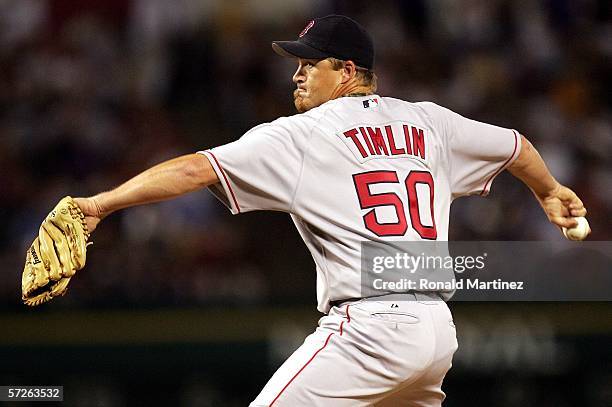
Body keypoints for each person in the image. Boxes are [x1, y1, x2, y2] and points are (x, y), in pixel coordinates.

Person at [73, 15, 589, 406]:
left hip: (370, 328)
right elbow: (515, 146)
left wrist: (100, 203)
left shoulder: (304, 133)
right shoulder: (430, 122)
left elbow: (195, 169)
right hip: (437, 332)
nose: (296, 75)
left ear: (346, 71)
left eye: (308, 64)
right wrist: (548, 190)